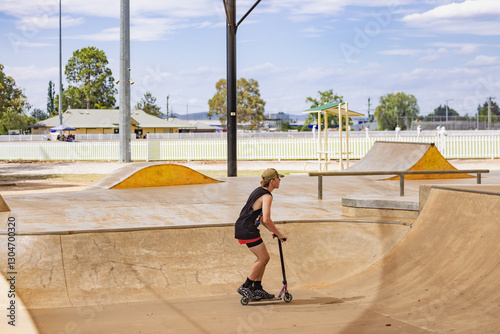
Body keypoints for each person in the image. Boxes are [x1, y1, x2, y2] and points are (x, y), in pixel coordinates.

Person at [235, 168, 287, 301]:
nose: (280, 180)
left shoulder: (259, 191)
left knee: (264, 258)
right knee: (263, 258)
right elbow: (266, 219)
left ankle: (257, 288)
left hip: (245, 227)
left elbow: (260, 216)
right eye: (278, 178)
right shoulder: (267, 196)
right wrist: (279, 234)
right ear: (272, 181)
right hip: (247, 229)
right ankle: (246, 286)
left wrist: (271, 230)